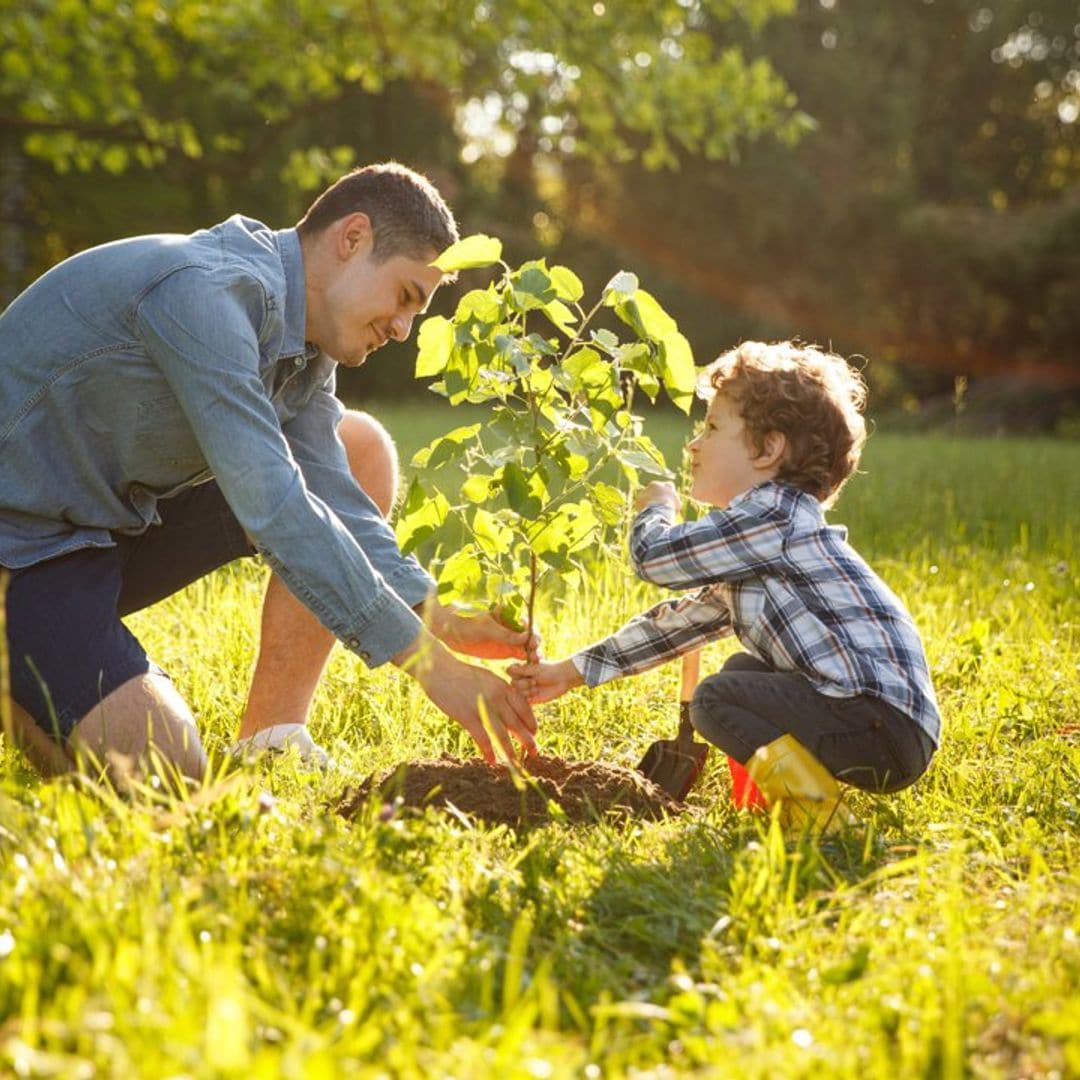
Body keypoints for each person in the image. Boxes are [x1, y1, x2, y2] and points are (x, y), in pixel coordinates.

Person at [0, 162, 538, 783]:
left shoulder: (303, 342)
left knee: (358, 449)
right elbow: (275, 505)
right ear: (353, 237)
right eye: (406, 297)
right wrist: (434, 669)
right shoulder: (205, 293)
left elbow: (334, 492)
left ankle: (272, 738)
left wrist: (437, 616)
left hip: (101, 528)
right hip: (23, 547)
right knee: (169, 773)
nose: (401, 328)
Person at [509, 340, 940, 813]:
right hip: (886, 726)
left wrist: (656, 508)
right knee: (740, 675)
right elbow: (674, 626)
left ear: (768, 448)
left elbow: (655, 558)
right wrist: (567, 674)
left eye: (712, 427)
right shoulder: (761, 545)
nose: (694, 443)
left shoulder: (771, 517)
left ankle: (813, 815)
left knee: (714, 699)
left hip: (876, 720)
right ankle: (773, 805)